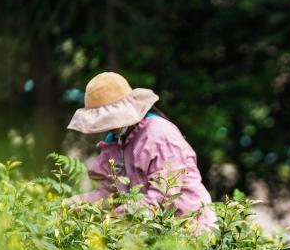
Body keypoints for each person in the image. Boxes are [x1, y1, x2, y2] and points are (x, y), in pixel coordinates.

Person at [66, 72, 217, 234]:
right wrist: (77, 204)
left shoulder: (158, 135)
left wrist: (115, 218)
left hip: (191, 230)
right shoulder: (115, 142)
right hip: (151, 234)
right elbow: (110, 195)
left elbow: (165, 195)